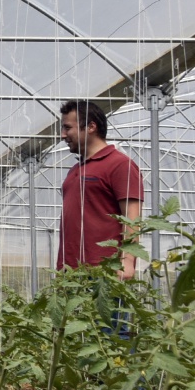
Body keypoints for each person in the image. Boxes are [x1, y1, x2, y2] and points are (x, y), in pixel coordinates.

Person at [57, 100, 143, 278]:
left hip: (104, 270)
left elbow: (132, 219)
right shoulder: (76, 169)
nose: (63, 135)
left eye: (67, 128)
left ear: (91, 127)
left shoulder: (119, 165)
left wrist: (127, 262)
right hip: (70, 271)